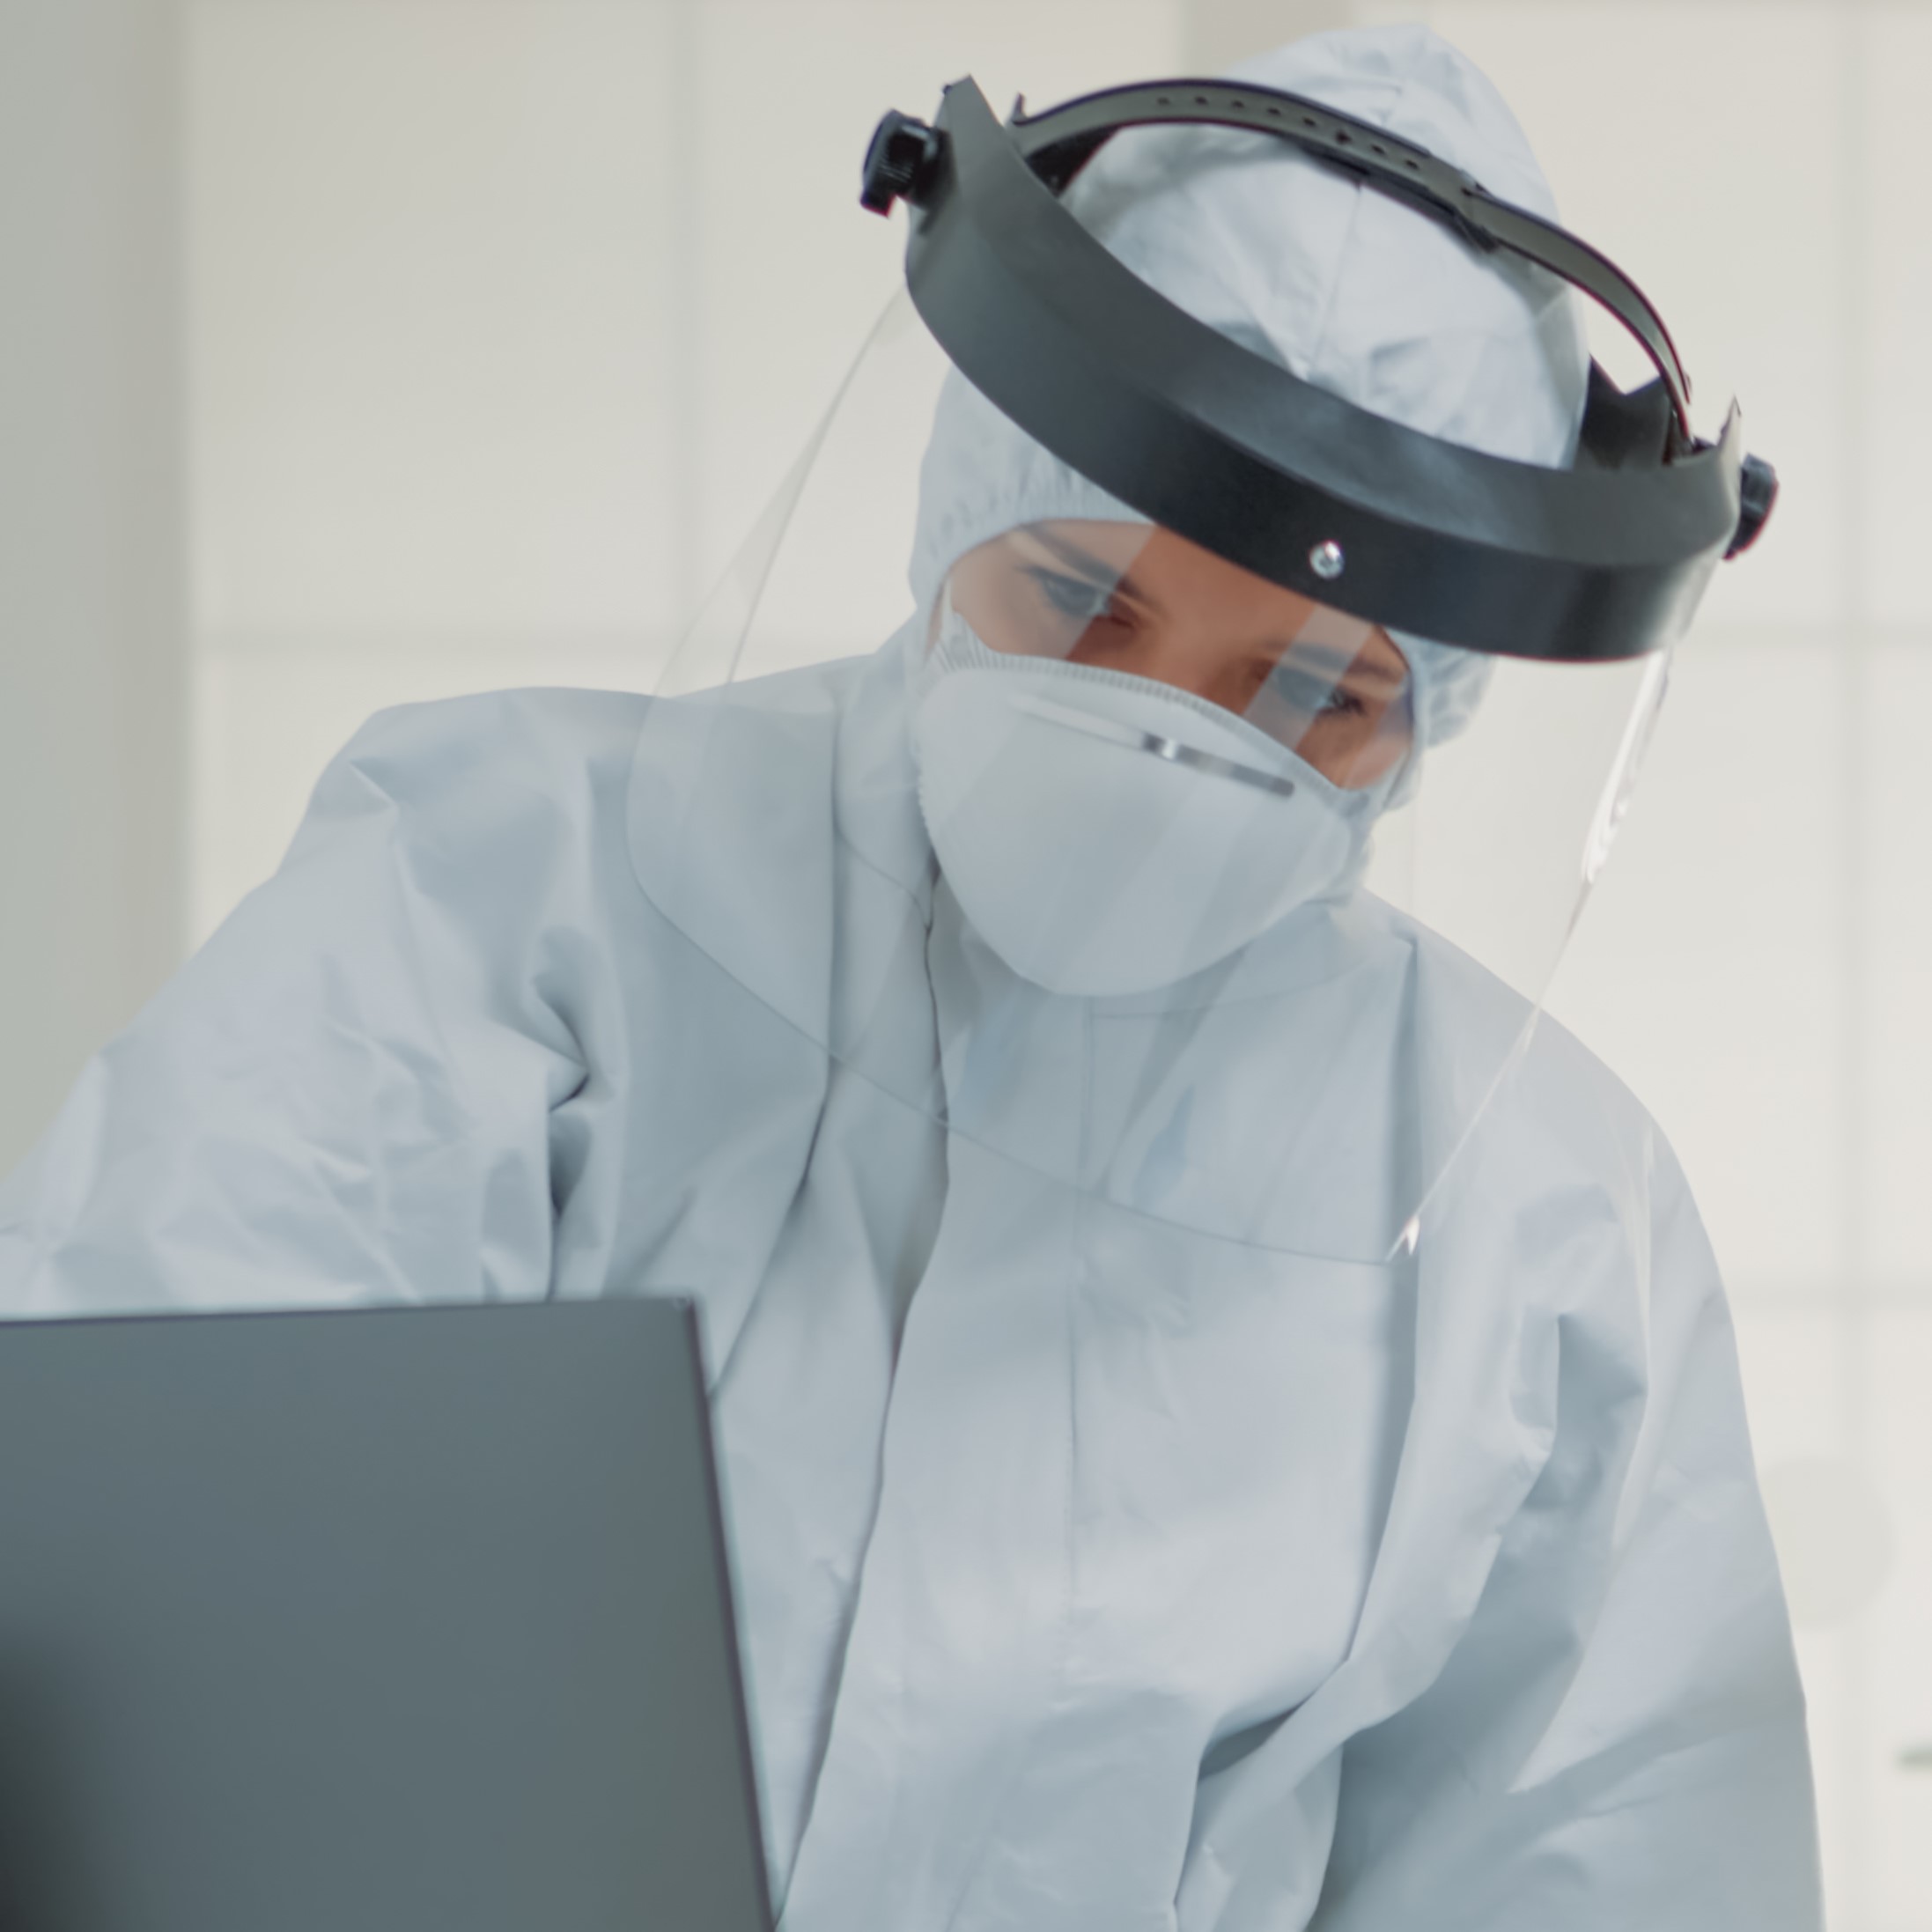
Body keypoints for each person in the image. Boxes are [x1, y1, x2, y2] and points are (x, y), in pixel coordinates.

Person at [0, 24, 1821, 1932]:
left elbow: (1616, 1862)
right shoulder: (503, 890)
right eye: (1082, 600)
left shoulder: (1536, 1230)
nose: (1163, 741)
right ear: (964, 499)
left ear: (1432, 703)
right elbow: (137, 1586)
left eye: (1312, 691)